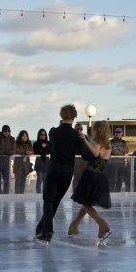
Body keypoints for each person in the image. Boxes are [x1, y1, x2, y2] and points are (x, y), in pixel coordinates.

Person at [35, 104, 95, 242]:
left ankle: (47, 231)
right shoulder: (76, 135)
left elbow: (53, 139)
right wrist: (85, 141)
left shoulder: (53, 132)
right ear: (74, 117)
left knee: (48, 200)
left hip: (54, 169)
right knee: (55, 201)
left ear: (61, 116)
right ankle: (42, 229)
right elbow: (86, 156)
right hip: (67, 172)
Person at [68, 120, 113, 241]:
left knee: (86, 203)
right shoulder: (108, 143)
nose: (91, 130)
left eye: (92, 128)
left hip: (92, 175)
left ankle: (102, 224)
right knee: (86, 202)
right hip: (100, 176)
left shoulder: (98, 142)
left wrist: (85, 140)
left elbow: (96, 154)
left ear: (97, 130)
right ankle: (74, 226)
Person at [0, 125, 15, 195]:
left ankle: (6, 194)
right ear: (2, 131)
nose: (7, 132)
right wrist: (6, 152)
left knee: (7, 180)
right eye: (5, 131)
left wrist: (8, 152)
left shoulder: (12, 139)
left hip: (7, 163)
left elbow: (14, 150)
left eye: (8, 131)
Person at [108, 127, 129, 193]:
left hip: (122, 162)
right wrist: (121, 150)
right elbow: (112, 151)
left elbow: (127, 151)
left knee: (120, 179)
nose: (117, 133)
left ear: (122, 133)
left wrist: (118, 148)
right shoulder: (111, 141)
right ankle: (112, 193)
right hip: (113, 163)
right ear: (114, 133)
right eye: (116, 132)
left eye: (119, 132)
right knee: (113, 179)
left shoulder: (124, 142)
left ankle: (118, 192)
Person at [13, 129, 33, 194]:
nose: (25, 137)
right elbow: (16, 151)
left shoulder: (29, 143)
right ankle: (17, 196)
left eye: (26, 136)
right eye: (23, 136)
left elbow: (32, 151)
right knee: (18, 181)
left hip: (26, 165)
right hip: (18, 165)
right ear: (20, 136)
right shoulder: (16, 143)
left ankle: (22, 195)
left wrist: (30, 152)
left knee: (23, 182)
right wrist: (25, 152)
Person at [32, 128, 50, 195]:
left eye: (44, 134)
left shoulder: (48, 143)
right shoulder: (36, 143)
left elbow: (50, 150)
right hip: (39, 164)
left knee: (45, 180)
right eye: (41, 134)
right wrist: (42, 147)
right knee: (39, 179)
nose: (43, 136)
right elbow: (35, 151)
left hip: (47, 164)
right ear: (39, 135)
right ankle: (38, 193)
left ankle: (45, 193)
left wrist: (46, 146)